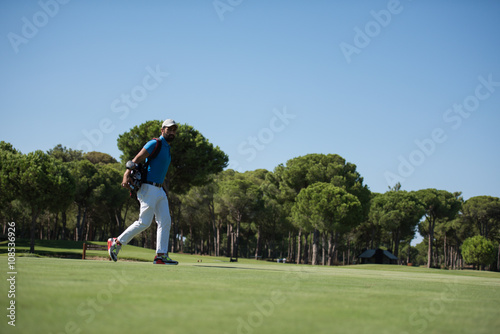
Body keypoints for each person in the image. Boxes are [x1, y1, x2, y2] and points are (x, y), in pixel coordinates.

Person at [108, 119, 178, 265]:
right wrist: (126, 174)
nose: (171, 132)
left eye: (173, 130)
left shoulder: (167, 148)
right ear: (162, 130)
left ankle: (160, 255)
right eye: (169, 129)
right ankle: (116, 242)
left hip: (159, 190)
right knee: (144, 222)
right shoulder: (155, 143)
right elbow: (136, 159)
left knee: (165, 221)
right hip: (148, 188)